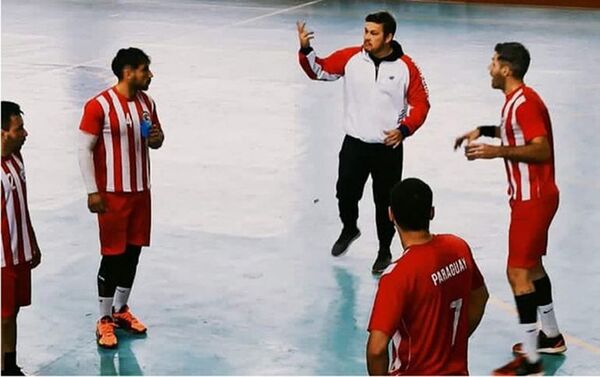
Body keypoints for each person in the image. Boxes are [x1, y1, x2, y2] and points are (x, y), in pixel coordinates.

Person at [454, 42, 565, 375]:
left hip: (533, 199)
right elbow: (517, 132)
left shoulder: (525, 103)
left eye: (493, 62)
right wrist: (483, 130)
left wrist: (495, 151)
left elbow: (540, 149)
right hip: (532, 197)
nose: (489, 67)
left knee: (517, 273)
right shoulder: (516, 102)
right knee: (532, 268)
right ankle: (551, 336)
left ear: (507, 68)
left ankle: (531, 360)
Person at [297, 11, 430, 273]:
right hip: (354, 144)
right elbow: (319, 70)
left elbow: (421, 104)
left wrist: (403, 130)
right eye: (366, 31)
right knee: (345, 192)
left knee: (386, 203)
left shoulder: (407, 67)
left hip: (388, 149)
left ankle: (384, 250)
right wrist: (306, 49)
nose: (367, 37)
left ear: (389, 37)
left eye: (374, 33)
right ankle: (350, 227)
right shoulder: (350, 58)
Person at [78, 47, 164, 349]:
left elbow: (158, 137)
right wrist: (92, 190)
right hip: (112, 195)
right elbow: (83, 149)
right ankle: (104, 319)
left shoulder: (146, 102)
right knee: (112, 256)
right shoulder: (98, 105)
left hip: (141, 192)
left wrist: (157, 140)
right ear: (128, 72)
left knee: (133, 252)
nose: (150, 75)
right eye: (145, 70)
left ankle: (121, 309)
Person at [366, 178, 488, 375]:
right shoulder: (458, 247)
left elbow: (376, 350)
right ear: (431, 212)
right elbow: (480, 297)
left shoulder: (397, 276)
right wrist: (450, 346)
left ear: (391, 215)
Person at [1, 101, 42, 375]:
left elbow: (21, 205)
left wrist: (32, 242)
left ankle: (9, 365)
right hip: (2, 260)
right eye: (19, 129)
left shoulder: (16, 158)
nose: (25, 133)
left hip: (19, 253)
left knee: (12, 311)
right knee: (4, 314)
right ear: (2, 132)